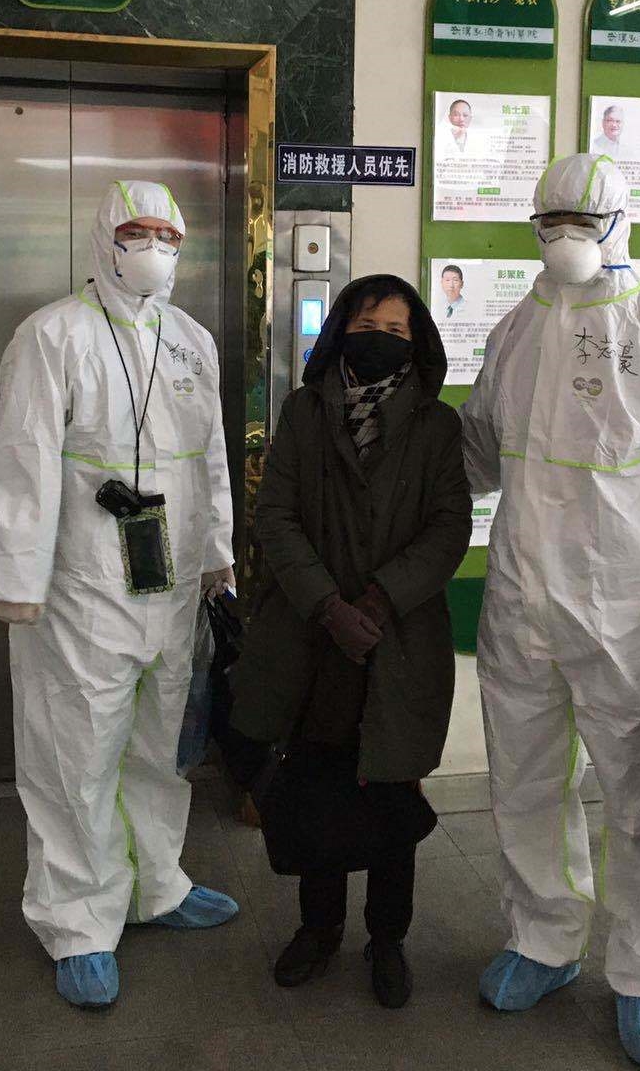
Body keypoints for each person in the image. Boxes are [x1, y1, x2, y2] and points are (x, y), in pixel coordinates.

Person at [460, 153, 640, 1068]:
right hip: (523, 606)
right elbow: (475, 451)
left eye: (582, 222)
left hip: (634, 612)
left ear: (620, 225)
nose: (565, 238)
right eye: (550, 222)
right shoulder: (516, 330)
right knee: (526, 788)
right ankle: (543, 940)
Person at [0, 179, 239, 1010]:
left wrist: (219, 555)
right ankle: (78, 922)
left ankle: (157, 885)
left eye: (168, 234)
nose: (153, 247)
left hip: (171, 581)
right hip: (79, 588)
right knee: (75, 753)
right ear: (105, 239)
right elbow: (22, 457)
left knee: (162, 746)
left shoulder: (192, 341)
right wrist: (17, 576)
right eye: (137, 231)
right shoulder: (53, 335)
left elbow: (211, 458)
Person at [229, 275, 473, 1009]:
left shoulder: (437, 425)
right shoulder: (305, 411)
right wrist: (329, 606)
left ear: (417, 341)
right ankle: (319, 928)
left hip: (400, 638)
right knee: (318, 785)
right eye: (368, 326)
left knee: (391, 790)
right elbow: (275, 516)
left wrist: (379, 599)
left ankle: (388, 939)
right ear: (341, 329)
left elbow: (449, 527)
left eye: (397, 331)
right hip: (314, 636)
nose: (380, 340)